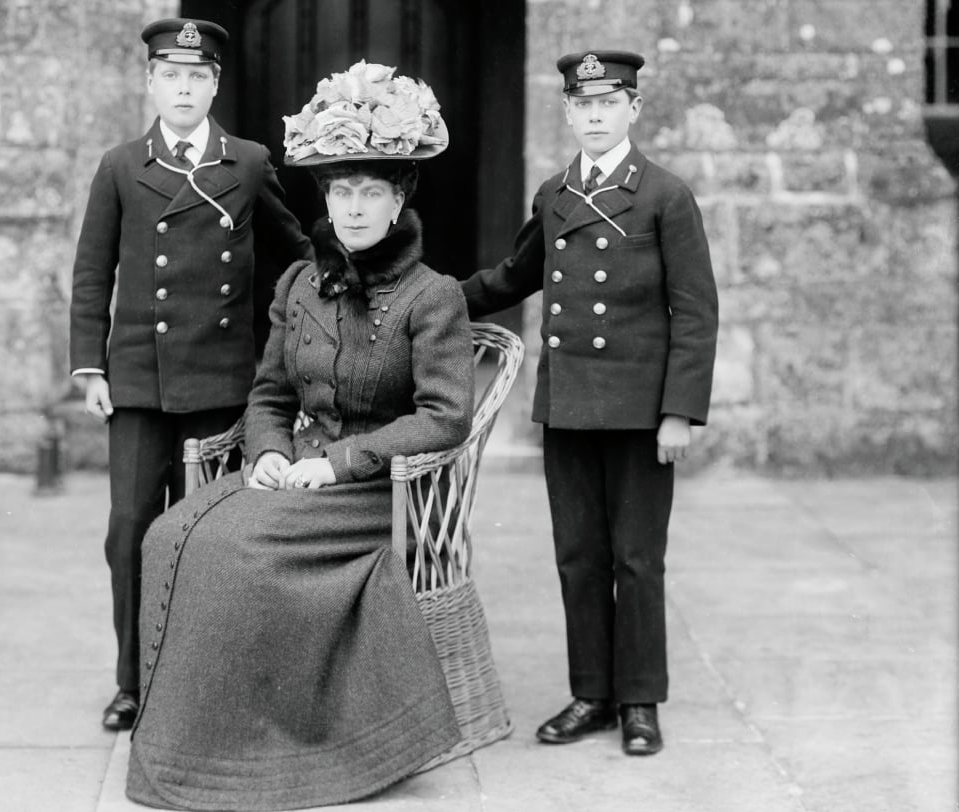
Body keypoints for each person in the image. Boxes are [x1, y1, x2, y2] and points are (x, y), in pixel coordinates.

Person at [125, 62, 472, 810]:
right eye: (341, 192)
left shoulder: (432, 296)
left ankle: (263, 752)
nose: (353, 208)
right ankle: (191, 745)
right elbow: (270, 394)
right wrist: (273, 451)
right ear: (324, 198)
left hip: (377, 488)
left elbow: (446, 416)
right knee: (168, 533)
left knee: (233, 552)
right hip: (295, 474)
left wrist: (340, 464)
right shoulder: (298, 285)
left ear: (400, 197)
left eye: (371, 192)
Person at [462, 50, 719, 756]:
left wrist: (678, 413)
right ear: (569, 112)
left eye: (611, 103)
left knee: (637, 557)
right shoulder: (555, 196)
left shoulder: (665, 195)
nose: (597, 115)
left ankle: (639, 700)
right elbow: (513, 276)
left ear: (633, 109)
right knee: (578, 555)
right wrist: (434, 301)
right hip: (570, 406)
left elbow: (695, 312)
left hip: (640, 413)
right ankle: (591, 695)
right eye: (584, 105)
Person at [68, 18, 311, 732]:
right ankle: (134, 680)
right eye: (170, 75)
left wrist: (295, 344)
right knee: (130, 529)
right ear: (151, 82)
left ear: (214, 85)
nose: (183, 87)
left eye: (196, 76)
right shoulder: (121, 164)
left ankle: (203, 676)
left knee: (209, 533)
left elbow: (292, 256)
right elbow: (92, 272)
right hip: (139, 380)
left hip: (220, 381)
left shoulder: (246, 162)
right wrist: (90, 367)